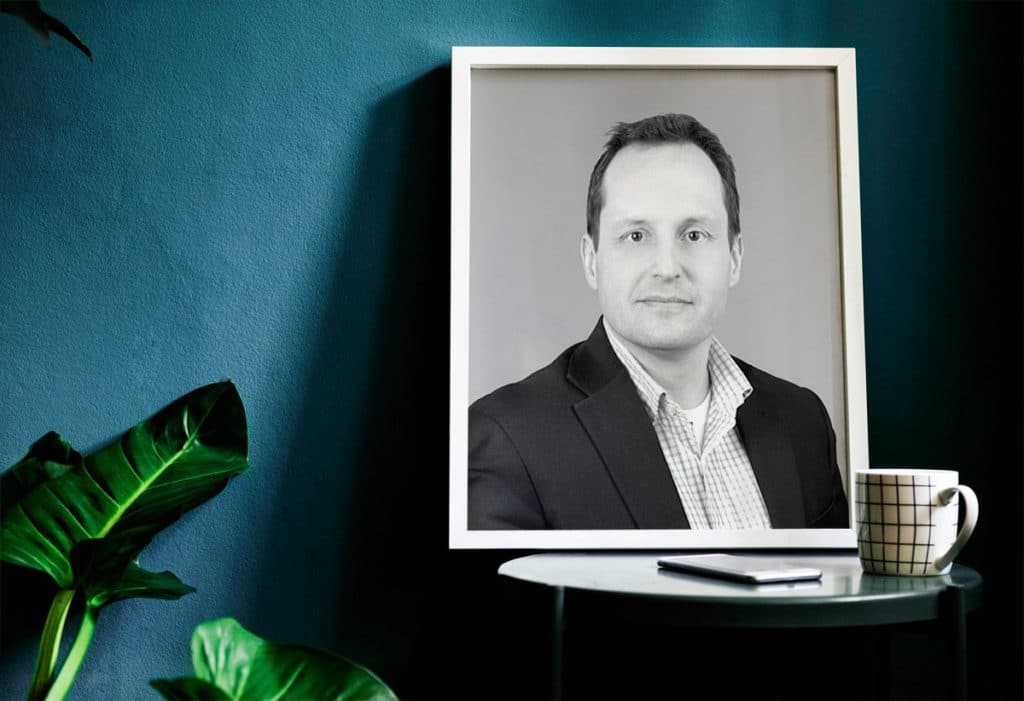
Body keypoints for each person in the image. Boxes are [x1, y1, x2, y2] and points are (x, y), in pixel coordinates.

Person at [468, 113, 848, 530]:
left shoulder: (803, 422)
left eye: (694, 235)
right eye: (636, 236)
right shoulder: (507, 437)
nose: (667, 268)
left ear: (734, 259)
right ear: (591, 260)